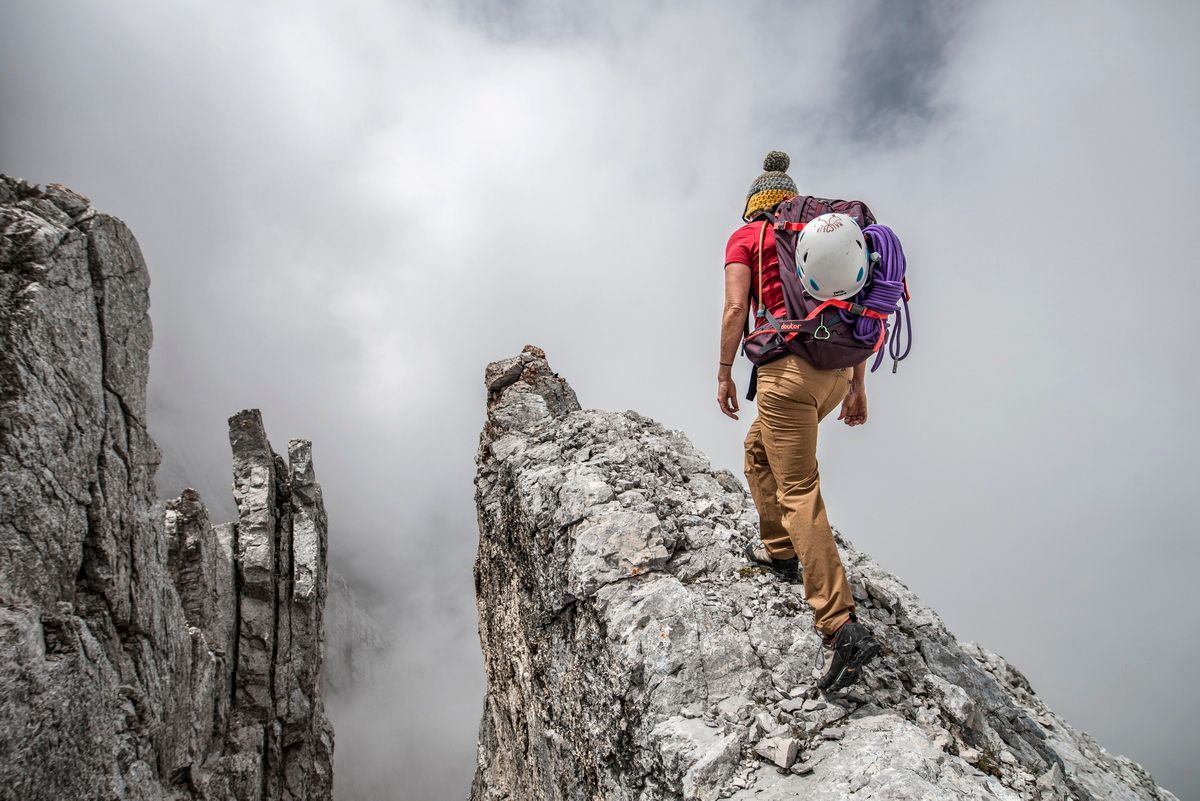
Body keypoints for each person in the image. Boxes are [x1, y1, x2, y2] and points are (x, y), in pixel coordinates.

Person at [717, 151, 879, 692]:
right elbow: (852, 307)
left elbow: (736, 311)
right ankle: (782, 552)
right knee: (757, 451)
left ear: (752, 206)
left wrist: (723, 372)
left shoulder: (747, 240)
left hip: (784, 376)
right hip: (831, 374)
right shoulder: (817, 237)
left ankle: (839, 627)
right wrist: (857, 386)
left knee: (798, 489)